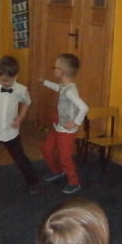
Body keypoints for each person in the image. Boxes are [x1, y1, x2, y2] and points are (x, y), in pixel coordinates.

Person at [0, 55, 39, 194]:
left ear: (16, 76)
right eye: (1, 79)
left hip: (10, 131)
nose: (4, 83)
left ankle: (33, 182)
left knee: (20, 158)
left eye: (7, 81)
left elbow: (27, 102)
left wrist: (20, 118)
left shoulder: (21, 90)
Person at [40, 53, 89, 194]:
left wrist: (76, 122)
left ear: (61, 71)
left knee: (65, 157)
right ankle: (57, 171)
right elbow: (58, 88)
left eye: (55, 67)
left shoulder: (70, 91)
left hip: (66, 131)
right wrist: (44, 82)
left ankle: (74, 182)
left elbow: (84, 107)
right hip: (57, 127)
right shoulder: (64, 87)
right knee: (47, 149)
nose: (54, 70)